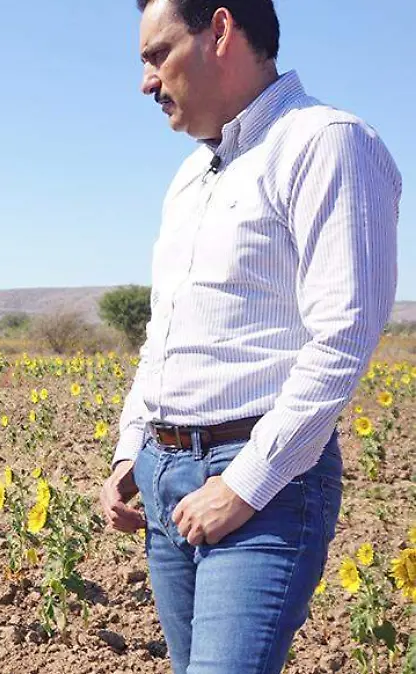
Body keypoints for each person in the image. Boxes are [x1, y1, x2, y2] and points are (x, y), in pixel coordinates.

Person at [98, 1, 401, 672]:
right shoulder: (189, 178)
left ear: (222, 31)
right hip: (166, 475)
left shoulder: (326, 142)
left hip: (265, 486)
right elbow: (167, 333)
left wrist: (243, 486)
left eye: (157, 55)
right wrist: (131, 450)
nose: (146, 82)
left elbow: (344, 336)